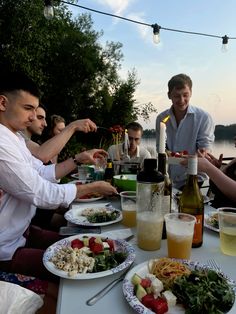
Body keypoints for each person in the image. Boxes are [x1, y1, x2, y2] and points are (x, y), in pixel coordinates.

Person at [0, 70, 117, 281]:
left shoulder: (14, 138)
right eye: (28, 108)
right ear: (2, 103)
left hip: (21, 233)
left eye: (35, 110)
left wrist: (78, 159)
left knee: (82, 244)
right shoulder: (1, 143)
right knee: (82, 267)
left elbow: (42, 172)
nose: (33, 117)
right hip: (5, 249)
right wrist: (92, 187)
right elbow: (39, 192)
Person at [156, 73, 215, 189]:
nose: (182, 100)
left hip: (195, 179)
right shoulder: (161, 118)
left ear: (191, 93)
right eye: (177, 96)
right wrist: (166, 152)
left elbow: (206, 146)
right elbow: (161, 147)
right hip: (169, 179)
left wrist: (204, 152)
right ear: (169, 95)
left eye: (185, 95)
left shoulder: (203, 117)